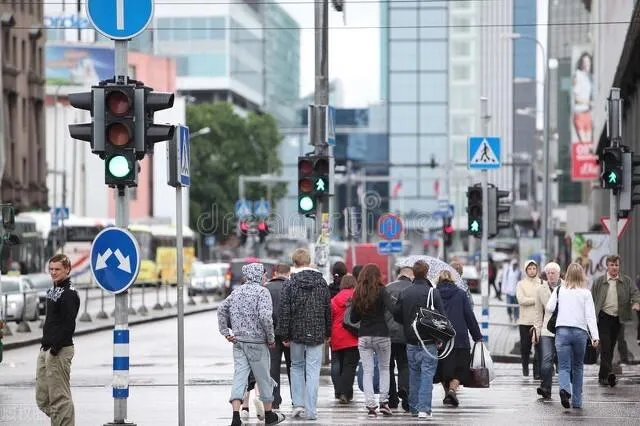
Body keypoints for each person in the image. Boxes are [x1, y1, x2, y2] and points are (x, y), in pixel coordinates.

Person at [217, 263, 285, 426]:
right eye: (263, 274)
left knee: (240, 377)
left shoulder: (236, 292)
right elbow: (265, 317)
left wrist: (226, 332)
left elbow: (221, 309)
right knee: (263, 378)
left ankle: (235, 417)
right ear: (257, 275)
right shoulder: (262, 292)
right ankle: (269, 415)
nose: (265, 277)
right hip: (257, 342)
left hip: (239, 342)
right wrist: (270, 337)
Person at [276, 249, 331, 421]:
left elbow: (284, 312)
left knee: (297, 366)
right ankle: (311, 410)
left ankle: (298, 404)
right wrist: (328, 332)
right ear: (309, 262)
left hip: (296, 333)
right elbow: (327, 309)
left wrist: (283, 334)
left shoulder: (290, 284)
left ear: (294, 263)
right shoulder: (321, 283)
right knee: (313, 370)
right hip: (316, 332)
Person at [393, 260, 445, 419]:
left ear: (414, 274)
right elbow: (442, 317)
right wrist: (441, 337)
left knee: (413, 374)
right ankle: (424, 409)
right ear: (427, 273)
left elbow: (397, 315)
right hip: (428, 340)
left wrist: (409, 325)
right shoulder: (432, 293)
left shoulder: (405, 292)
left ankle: (414, 408)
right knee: (427, 374)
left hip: (410, 340)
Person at [546, 263, 599, 409]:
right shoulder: (586, 293)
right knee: (578, 367)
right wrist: (595, 336)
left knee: (563, 366)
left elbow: (549, 307)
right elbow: (590, 317)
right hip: (580, 333)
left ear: (567, 274)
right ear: (581, 275)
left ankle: (564, 389)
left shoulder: (559, 290)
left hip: (561, 332)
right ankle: (577, 402)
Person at [36, 254, 81, 426]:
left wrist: (55, 347)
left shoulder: (69, 293)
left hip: (59, 349)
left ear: (67, 269)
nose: (53, 273)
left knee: (60, 398)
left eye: (57, 269)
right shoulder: (52, 290)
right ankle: (60, 420)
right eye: (51, 269)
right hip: (47, 349)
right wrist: (45, 347)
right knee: (43, 398)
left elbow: (69, 324)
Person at [349, 264, 396, 418]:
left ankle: (370, 405)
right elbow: (394, 310)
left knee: (367, 371)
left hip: (364, 336)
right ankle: (384, 402)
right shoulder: (382, 290)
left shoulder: (358, 292)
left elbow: (353, 318)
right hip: (382, 334)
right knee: (384, 369)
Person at [591, 255, 640, 387]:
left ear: (619, 266)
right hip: (603, 317)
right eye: (612, 265)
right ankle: (606, 376)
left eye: (616, 265)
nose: (614, 268)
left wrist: (636, 303)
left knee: (611, 347)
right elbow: (591, 298)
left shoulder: (626, 281)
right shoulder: (599, 281)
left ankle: (604, 375)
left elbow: (635, 293)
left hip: (618, 318)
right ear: (607, 266)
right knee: (605, 346)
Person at [435, 270, 483, 407]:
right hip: (460, 338)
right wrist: (477, 336)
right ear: (452, 279)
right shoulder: (461, 294)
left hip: (441, 337)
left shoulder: (433, 295)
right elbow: (469, 316)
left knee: (444, 368)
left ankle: (447, 394)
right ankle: (452, 390)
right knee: (461, 368)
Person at [385, 266, 414, 412]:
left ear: (399, 275)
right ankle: (404, 389)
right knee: (405, 364)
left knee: (388, 367)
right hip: (406, 334)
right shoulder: (412, 289)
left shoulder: (387, 288)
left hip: (388, 334)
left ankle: (392, 399)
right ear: (411, 276)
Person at [533, 262, 563, 399]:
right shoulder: (540, 290)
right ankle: (545, 388)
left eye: (553, 273)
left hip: (563, 329)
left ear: (558, 274)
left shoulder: (567, 286)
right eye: (548, 273)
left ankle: (565, 389)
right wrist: (536, 332)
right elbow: (539, 313)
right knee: (546, 360)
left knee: (562, 361)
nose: (551, 276)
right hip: (547, 330)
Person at [264, 263, 291, 410]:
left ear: (275, 273)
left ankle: (274, 400)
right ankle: (296, 398)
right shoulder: (291, 287)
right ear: (288, 273)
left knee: (273, 367)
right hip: (289, 335)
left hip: (272, 334)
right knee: (293, 367)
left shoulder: (266, 288)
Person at [330, 274, 359, 404]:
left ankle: (338, 391)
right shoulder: (357, 297)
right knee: (350, 366)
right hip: (353, 336)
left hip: (337, 336)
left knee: (336, 365)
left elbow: (330, 318)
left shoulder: (334, 299)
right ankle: (346, 393)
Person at [516, 260, 543, 378]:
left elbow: (545, 299)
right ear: (526, 270)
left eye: (534, 268)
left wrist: (531, 299)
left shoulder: (542, 283)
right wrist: (536, 300)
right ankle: (525, 369)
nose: (532, 271)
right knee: (525, 348)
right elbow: (521, 300)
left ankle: (536, 373)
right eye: (529, 268)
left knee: (539, 348)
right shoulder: (521, 284)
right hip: (525, 321)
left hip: (538, 321)